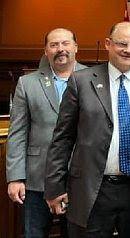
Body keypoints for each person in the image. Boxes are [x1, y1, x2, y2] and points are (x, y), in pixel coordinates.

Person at [43, 22, 130, 237]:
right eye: (122, 44)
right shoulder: (81, 81)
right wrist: (55, 187)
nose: (128, 50)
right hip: (93, 188)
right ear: (108, 44)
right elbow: (63, 138)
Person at [6, 28, 86, 238]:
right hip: (36, 178)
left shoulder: (93, 79)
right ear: (46, 51)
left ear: (76, 47)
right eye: (54, 45)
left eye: (65, 43)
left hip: (80, 178)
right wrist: (15, 177)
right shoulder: (28, 83)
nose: (61, 49)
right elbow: (17, 133)